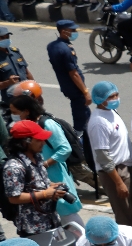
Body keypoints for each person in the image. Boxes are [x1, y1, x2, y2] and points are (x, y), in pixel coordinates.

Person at [8, 92, 83, 229]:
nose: (12, 115)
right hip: (38, 210)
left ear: (26, 111)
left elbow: (64, 148)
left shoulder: (46, 123)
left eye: (15, 112)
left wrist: (45, 164)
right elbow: (14, 196)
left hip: (55, 174)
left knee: (68, 214)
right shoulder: (16, 164)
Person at [85, 83, 132, 232]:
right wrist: (118, 183)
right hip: (115, 171)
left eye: (116, 95)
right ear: (100, 99)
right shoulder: (98, 122)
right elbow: (103, 156)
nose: (115, 99)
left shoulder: (111, 111)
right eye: (111, 97)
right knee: (124, 212)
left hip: (127, 166)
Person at [3, 120, 67, 237]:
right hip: (33, 228)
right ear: (25, 142)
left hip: (52, 220)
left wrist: (51, 186)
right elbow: (14, 198)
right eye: (38, 140)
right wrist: (44, 194)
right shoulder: (14, 167)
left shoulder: (37, 158)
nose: (43, 142)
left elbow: (37, 182)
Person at [46, 19, 90, 133]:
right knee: (81, 118)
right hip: (75, 88)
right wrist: (85, 92)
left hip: (66, 85)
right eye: (73, 30)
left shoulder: (52, 46)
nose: (75, 32)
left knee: (84, 113)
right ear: (64, 31)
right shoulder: (66, 50)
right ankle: (80, 141)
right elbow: (73, 73)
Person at [0, 27, 33, 98]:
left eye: (7, 37)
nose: (6, 40)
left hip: (27, 93)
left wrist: (35, 87)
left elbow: (27, 72)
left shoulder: (15, 52)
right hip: (12, 98)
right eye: (2, 38)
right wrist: (8, 82)